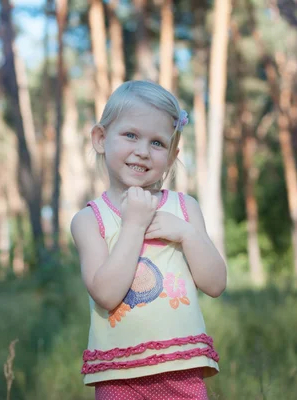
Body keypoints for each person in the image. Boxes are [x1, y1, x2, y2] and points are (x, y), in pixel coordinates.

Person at [71, 80, 227, 400]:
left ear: (171, 156)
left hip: (181, 367)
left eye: (157, 143)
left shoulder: (184, 209)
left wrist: (185, 233)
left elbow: (215, 284)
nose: (142, 151)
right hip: (119, 375)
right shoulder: (90, 219)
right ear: (101, 139)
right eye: (130, 135)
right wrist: (134, 225)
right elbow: (105, 293)